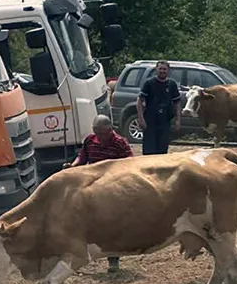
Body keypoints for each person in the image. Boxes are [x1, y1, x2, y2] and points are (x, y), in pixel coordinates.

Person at [64, 114, 133, 272]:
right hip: (92, 188)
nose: (100, 137)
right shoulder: (90, 140)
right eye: (97, 133)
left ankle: (113, 260)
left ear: (110, 130)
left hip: (112, 189)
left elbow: (130, 163)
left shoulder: (119, 143)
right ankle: (80, 256)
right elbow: (83, 157)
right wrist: (72, 166)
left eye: (103, 134)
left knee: (111, 224)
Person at [137, 60, 181, 155]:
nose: (162, 71)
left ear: (168, 70)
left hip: (165, 122)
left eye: (164, 69)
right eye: (160, 68)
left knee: (162, 151)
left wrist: (178, 120)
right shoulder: (149, 83)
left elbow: (177, 103)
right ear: (156, 69)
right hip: (150, 122)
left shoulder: (172, 85)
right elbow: (139, 100)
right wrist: (141, 119)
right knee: (149, 151)